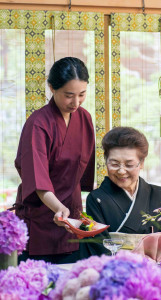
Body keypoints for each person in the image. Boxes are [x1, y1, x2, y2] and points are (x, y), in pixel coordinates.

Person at [14, 57, 95, 264]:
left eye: (82, 94)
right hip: (42, 215)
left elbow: (82, 170)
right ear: (51, 87)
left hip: (72, 217)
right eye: (69, 95)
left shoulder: (84, 118)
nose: (76, 102)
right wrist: (58, 208)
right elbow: (37, 178)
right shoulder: (38, 124)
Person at [80, 126, 161, 257]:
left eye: (129, 165)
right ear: (105, 161)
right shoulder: (96, 199)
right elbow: (99, 249)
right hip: (116, 271)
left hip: (154, 272)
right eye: (114, 164)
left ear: (141, 163)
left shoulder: (160, 195)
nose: (121, 171)